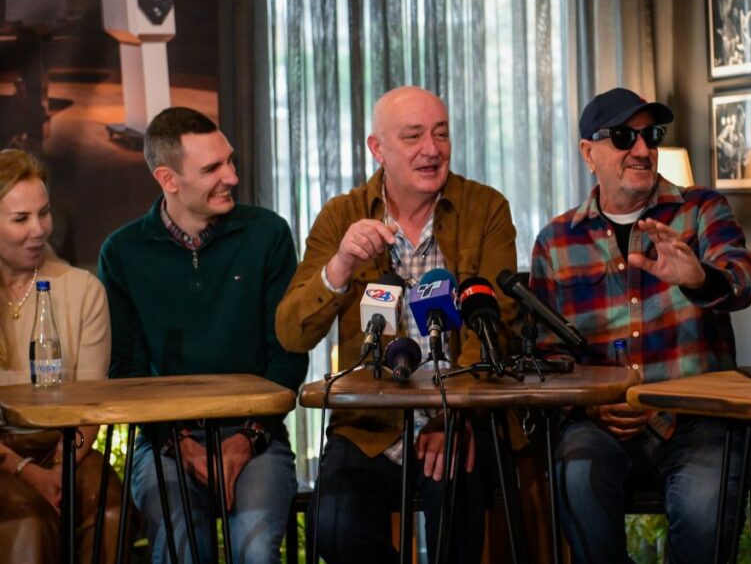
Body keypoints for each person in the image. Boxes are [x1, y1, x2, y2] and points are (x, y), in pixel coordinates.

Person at [275, 86, 518, 564]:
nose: (432, 149)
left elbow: (498, 323)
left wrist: (452, 415)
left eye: (441, 134)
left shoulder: (485, 208)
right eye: (413, 137)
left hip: (459, 416)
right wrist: (340, 266)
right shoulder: (341, 215)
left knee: (454, 523)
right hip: (368, 423)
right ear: (377, 149)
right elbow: (291, 332)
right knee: (332, 530)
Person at [529, 87, 751, 564]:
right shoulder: (556, 241)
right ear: (588, 153)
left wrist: (699, 278)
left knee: (702, 512)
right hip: (600, 424)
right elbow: (546, 355)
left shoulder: (701, 209)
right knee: (576, 477)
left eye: (650, 136)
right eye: (623, 137)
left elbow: (743, 279)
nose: (641, 149)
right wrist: (591, 406)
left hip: (698, 418)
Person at [98, 107, 308, 563]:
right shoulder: (122, 252)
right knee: (183, 551)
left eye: (229, 161)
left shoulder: (268, 234)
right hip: (164, 438)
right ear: (168, 179)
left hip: (257, 434)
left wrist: (246, 439)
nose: (232, 176)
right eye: (212, 168)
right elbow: (127, 373)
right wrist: (184, 447)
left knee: (256, 553)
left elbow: (289, 355)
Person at [0, 148, 123, 563]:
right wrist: (26, 471)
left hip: (68, 448)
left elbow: (91, 406)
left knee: (110, 510)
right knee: (28, 520)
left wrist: (58, 467)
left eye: (44, 213)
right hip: (2, 455)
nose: (39, 230)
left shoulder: (83, 290)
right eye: (21, 218)